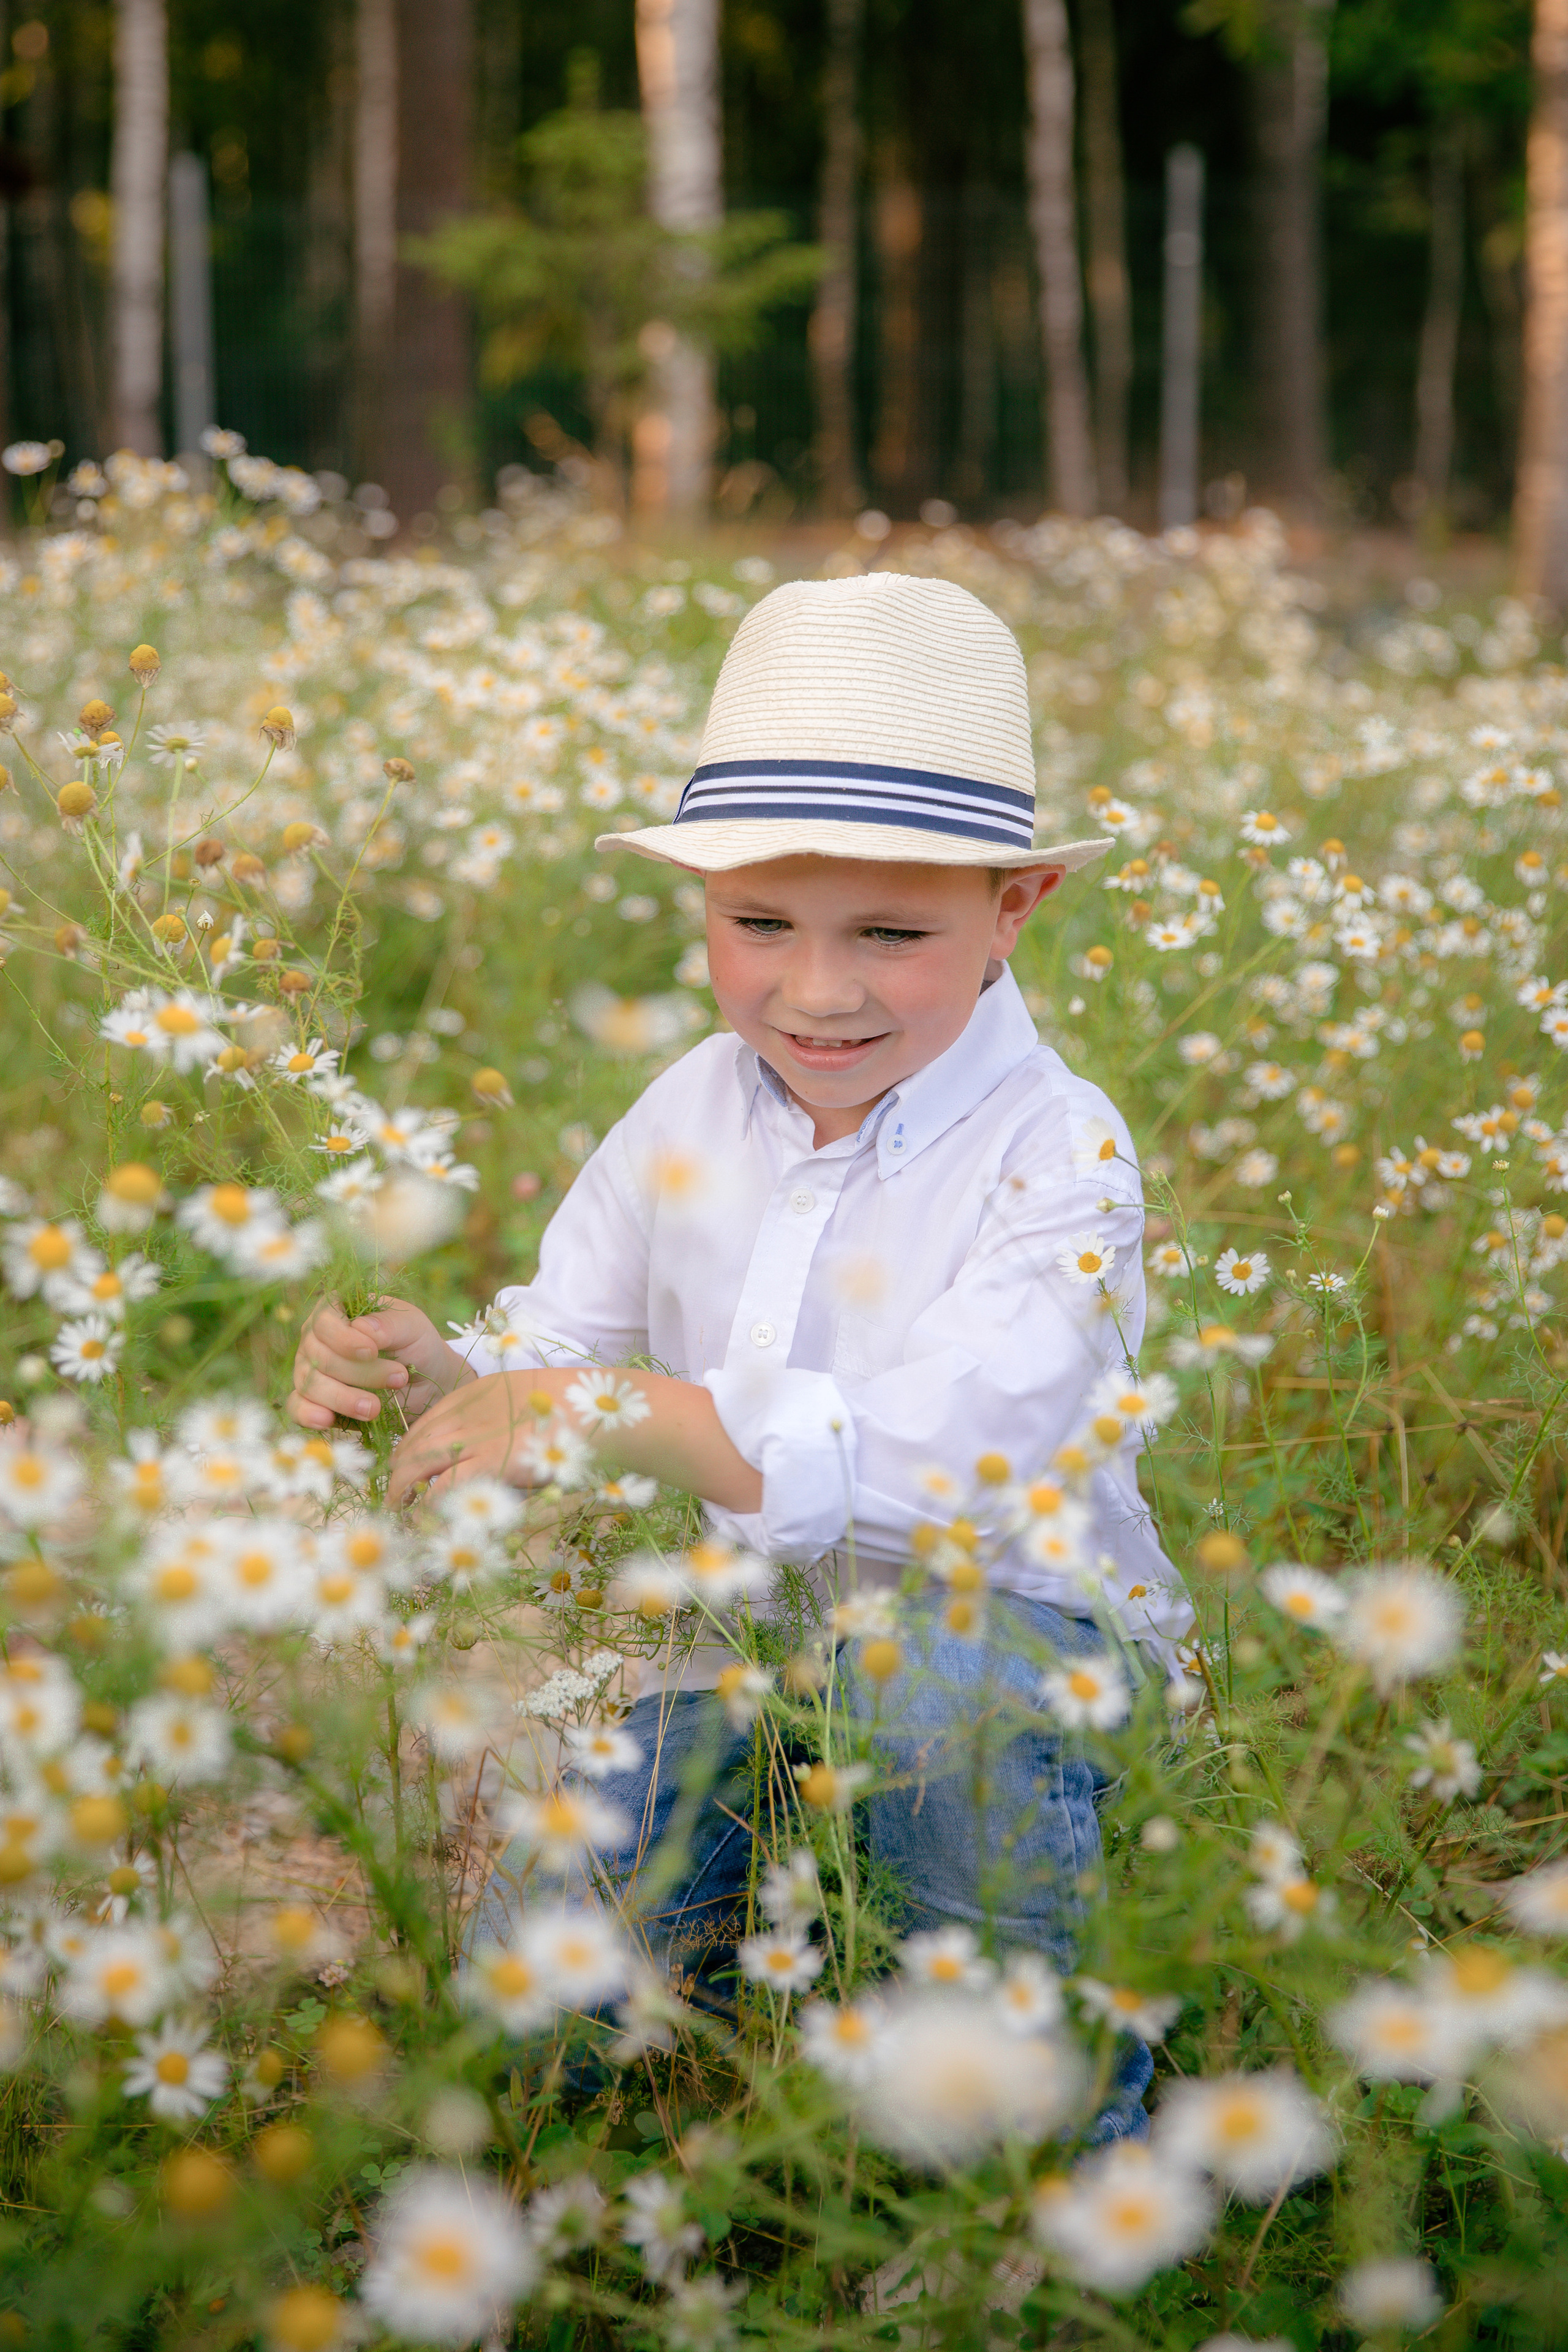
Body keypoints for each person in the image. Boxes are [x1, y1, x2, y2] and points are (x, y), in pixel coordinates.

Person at [287, 571, 1194, 2138]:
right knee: (543, 1978)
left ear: (1014, 907)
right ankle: (735, 2010)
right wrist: (442, 1380)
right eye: (755, 922)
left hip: (1026, 1666)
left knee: (923, 1690)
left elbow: (946, 1468)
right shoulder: (693, 1109)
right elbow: (556, 1348)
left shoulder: (1063, 1156)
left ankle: (1045, 2152)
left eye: (890, 933)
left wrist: (607, 1408)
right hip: (763, 1665)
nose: (815, 988)